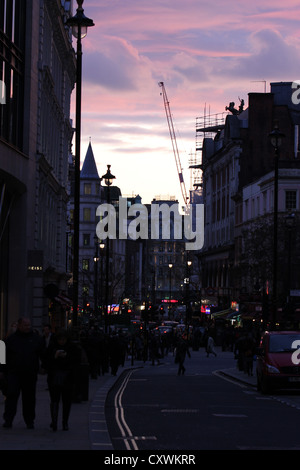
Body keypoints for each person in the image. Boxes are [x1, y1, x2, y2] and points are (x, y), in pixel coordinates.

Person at [2, 316, 44, 429]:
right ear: (19, 325)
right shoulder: (11, 339)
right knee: (11, 397)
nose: (27, 327)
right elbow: (2, 355)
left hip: (29, 373)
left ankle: (29, 420)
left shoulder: (36, 339)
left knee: (29, 398)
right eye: (25, 325)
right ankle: (8, 419)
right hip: (14, 373)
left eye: (28, 325)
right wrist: (3, 370)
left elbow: (42, 354)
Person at [43, 328, 81, 431]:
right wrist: (54, 356)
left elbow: (77, 361)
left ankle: (65, 422)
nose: (62, 342)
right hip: (54, 377)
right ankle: (54, 422)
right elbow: (45, 363)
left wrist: (66, 356)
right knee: (54, 400)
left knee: (66, 401)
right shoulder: (52, 348)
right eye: (60, 339)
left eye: (63, 339)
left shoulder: (72, 348)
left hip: (67, 378)